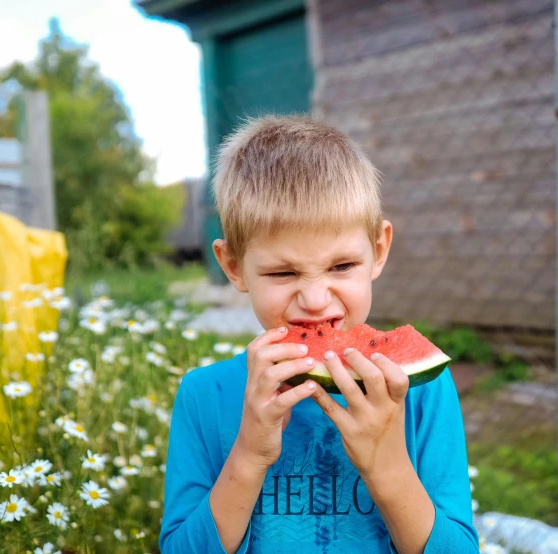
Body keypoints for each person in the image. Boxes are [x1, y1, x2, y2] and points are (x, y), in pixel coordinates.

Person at [159, 115, 479, 554]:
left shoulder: (422, 393)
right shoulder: (203, 396)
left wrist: (388, 468)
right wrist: (249, 455)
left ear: (379, 250)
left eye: (341, 266)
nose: (314, 300)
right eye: (282, 271)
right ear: (233, 266)